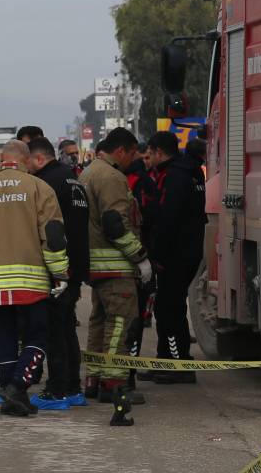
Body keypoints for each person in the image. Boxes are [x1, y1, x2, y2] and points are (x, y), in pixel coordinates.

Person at [0, 140, 69, 417]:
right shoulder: (39, 188)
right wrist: (59, 273)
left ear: (1, 160)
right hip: (31, 280)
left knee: (6, 336)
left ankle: (11, 393)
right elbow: (53, 236)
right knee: (37, 335)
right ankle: (19, 386)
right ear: (26, 160)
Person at [80, 128, 152, 403]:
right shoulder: (111, 177)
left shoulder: (87, 173)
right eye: (133, 153)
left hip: (96, 266)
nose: (134, 159)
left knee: (99, 323)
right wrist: (140, 256)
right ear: (121, 150)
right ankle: (114, 384)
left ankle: (94, 378)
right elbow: (115, 223)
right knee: (120, 324)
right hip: (116, 266)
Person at [25, 137, 90, 406]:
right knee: (66, 328)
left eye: (28, 162)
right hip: (76, 265)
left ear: (39, 159)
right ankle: (73, 387)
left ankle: (56, 389)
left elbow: (48, 230)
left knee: (54, 330)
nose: (26, 168)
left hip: (58, 269)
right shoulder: (73, 179)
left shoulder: (45, 184)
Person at [146, 131, 207, 384]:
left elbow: (167, 219)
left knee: (168, 309)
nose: (147, 159)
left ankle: (176, 363)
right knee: (170, 306)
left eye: (150, 154)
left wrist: (156, 254)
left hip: (175, 254)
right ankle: (167, 360)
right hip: (188, 251)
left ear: (160, 152)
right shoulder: (191, 171)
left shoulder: (174, 177)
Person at [123, 139, 160, 389]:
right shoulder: (141, 181)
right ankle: (128, 373)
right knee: (131, 321)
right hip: (139, 255)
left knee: (127, 321)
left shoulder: (131, 180)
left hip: (132, 258)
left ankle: (126, 373)